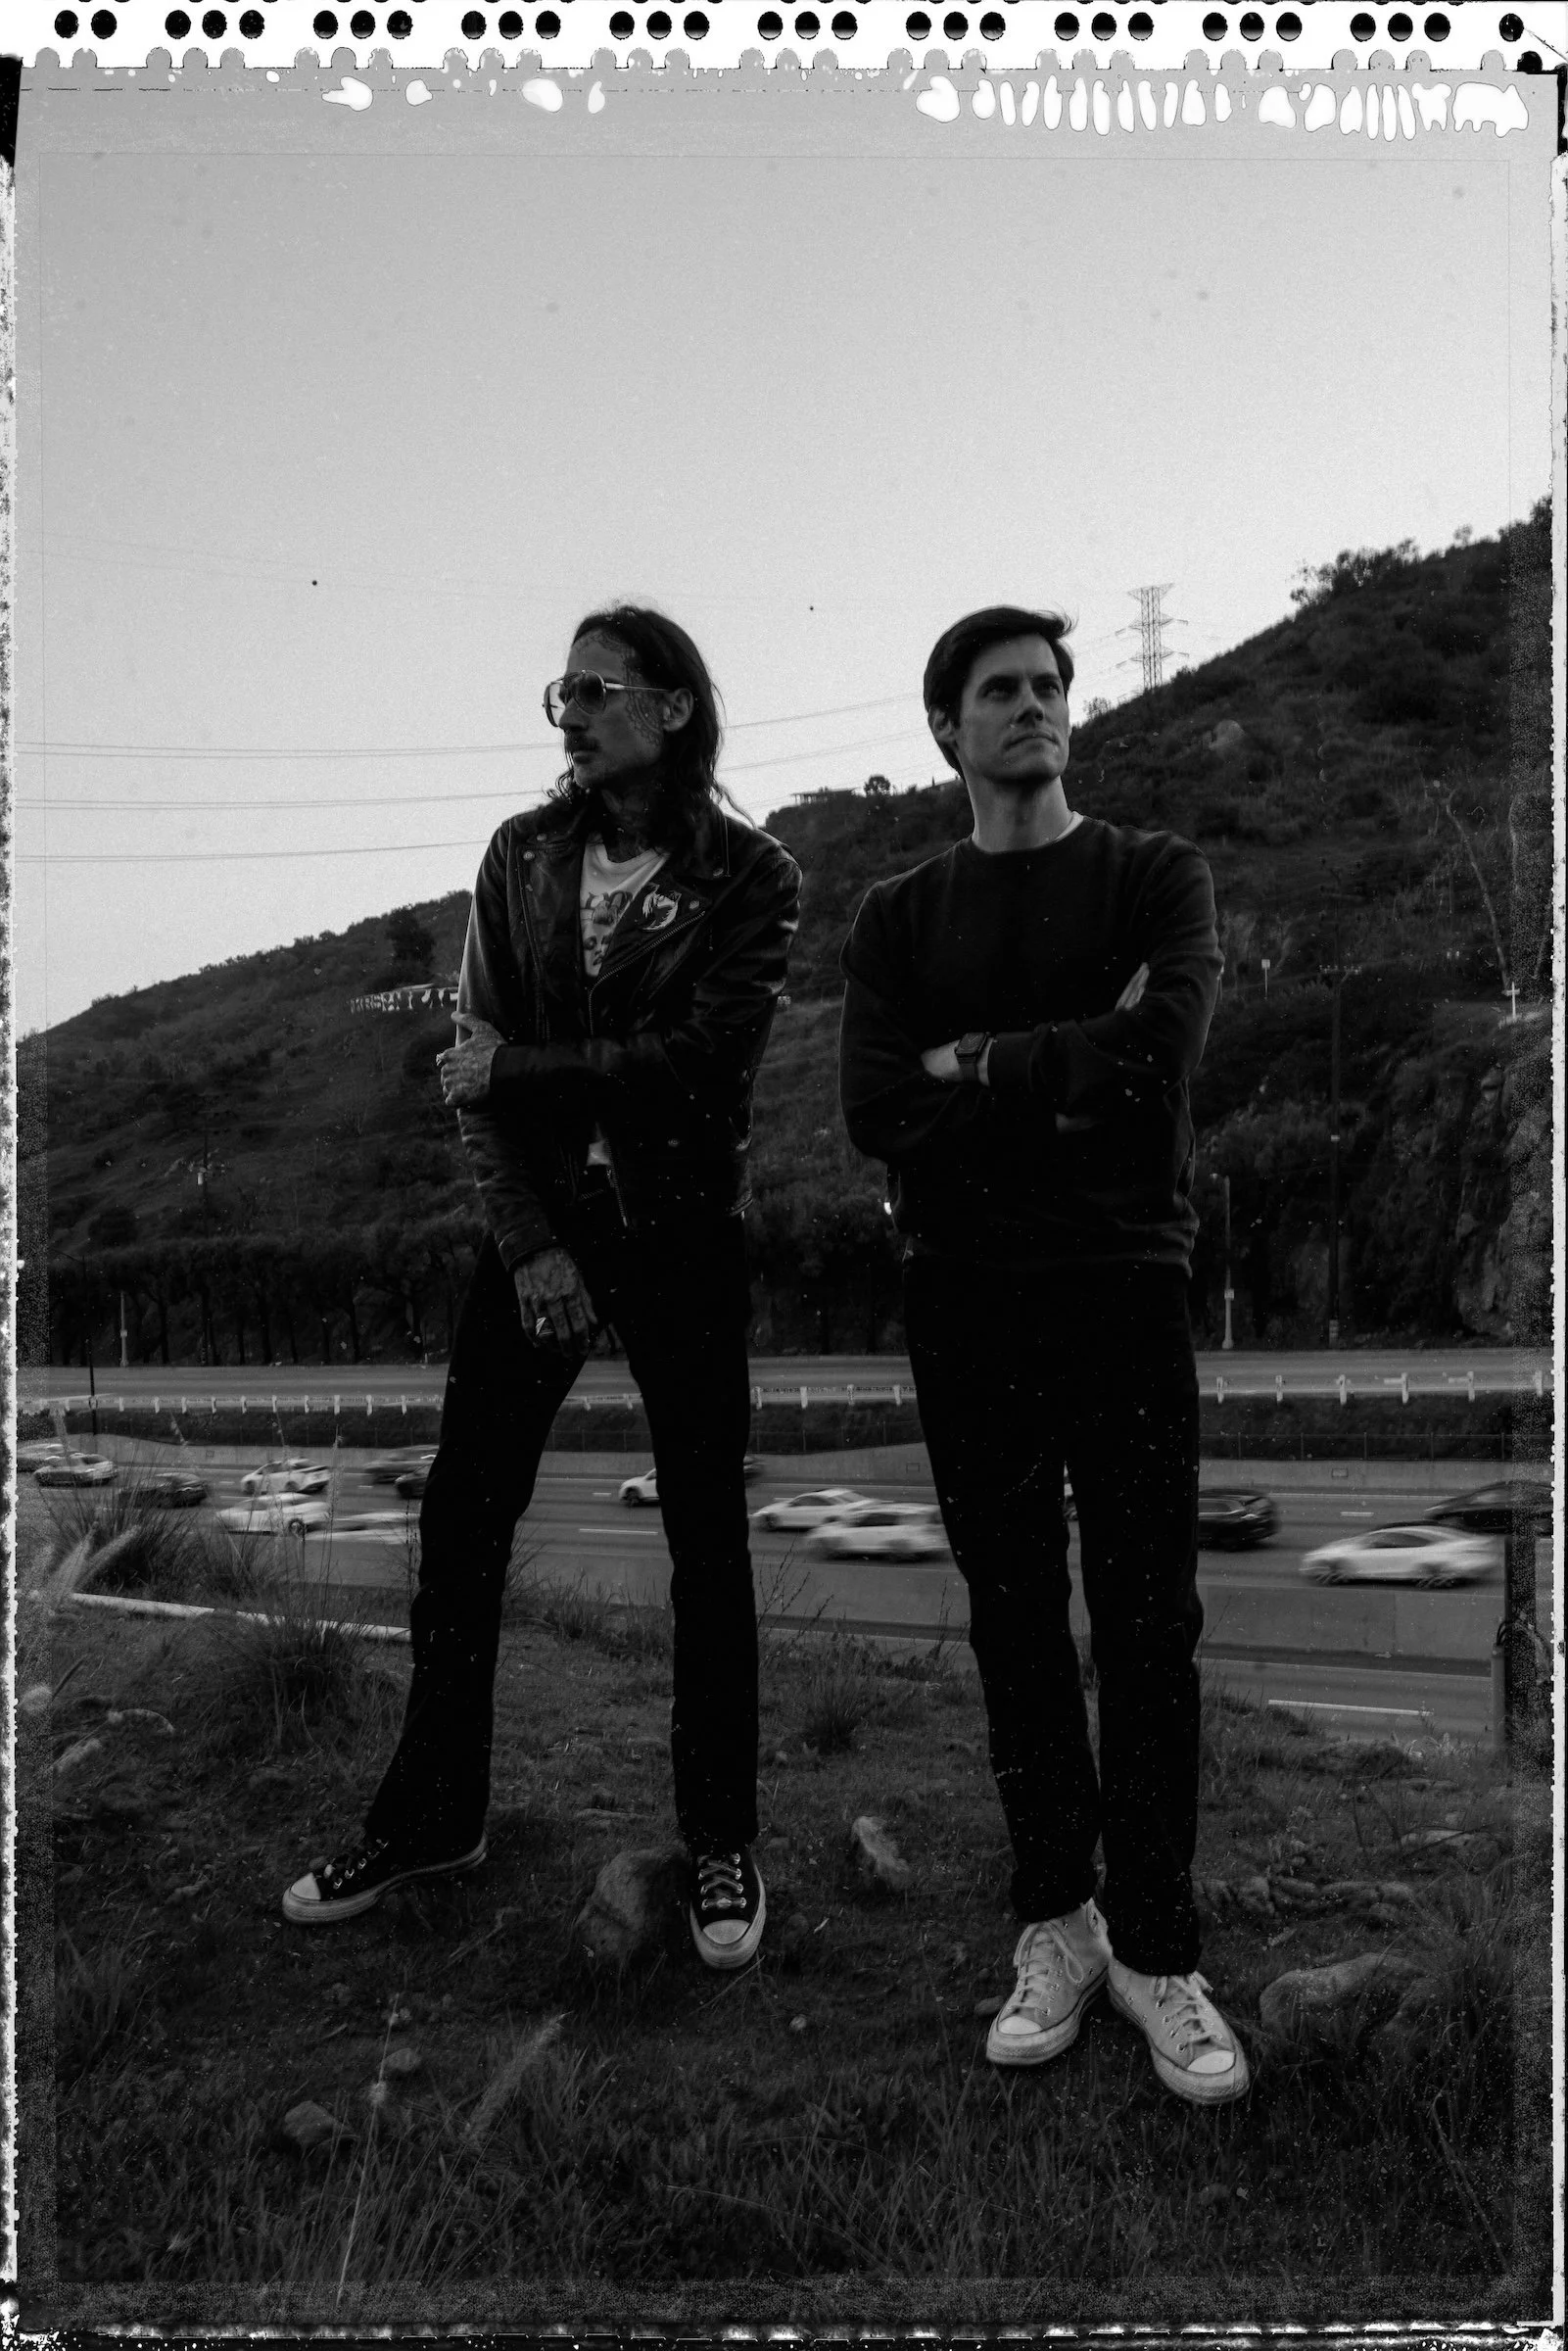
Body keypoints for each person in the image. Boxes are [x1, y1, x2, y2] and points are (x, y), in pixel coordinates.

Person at [283, 604, 800, 1972]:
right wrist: (531, 1246)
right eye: (557, 689)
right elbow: (469, 1063)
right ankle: (433, 1814)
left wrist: (516, 1074)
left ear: (672, 707)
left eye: (592, 685)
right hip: (540, 1236)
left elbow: (695, 1063)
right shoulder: (520, 857)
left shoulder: (754, 877)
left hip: (686, 1235)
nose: (565, 710)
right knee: (462, 1514)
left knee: (709, 1537)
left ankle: (721, 1842)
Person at [837, 605, 1248, 2103]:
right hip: (966, 1302)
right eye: (1001, 691)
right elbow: (880, 1107)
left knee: (1150, 1623)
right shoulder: (897, 916)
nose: (1036, 706)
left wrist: (986, 1064)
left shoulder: (1154, 876)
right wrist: (1074, 1066)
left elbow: (1166, 1059)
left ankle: (1155, 1949)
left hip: (1125, 1287)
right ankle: (1055, 1927)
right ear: (946, 728)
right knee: (1014, 1618)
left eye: (1052, 687)